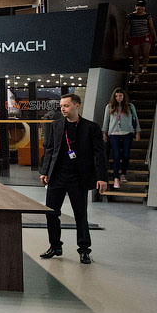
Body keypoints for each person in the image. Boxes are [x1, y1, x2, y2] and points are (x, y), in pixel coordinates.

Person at [39, 93, 108, 265]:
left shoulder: (91, 127)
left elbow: (99, 154)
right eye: (62, 106)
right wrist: (44, 171)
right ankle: (55, 246)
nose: (63, 109)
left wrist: (101, 177)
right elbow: (49, 149)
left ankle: (84, 250)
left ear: (77, 106)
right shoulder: (56, 125)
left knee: (80, 215)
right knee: (51, 212)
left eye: (66, 105)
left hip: (78, 177)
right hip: (57, 176)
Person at [102, 87, 139, 190]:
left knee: (126, 154)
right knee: (116, 155)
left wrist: (138, 132)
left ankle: (123, 174)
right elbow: (106, 121)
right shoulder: (109, 107)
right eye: (116, 96)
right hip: (114, 134)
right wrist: (104, 133)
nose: (118, 98)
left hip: (128, 133)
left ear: (124, 96)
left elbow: (135, 119)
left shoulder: (130, 106)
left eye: (120, 96)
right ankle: (116, 178)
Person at [124, 0, 157, 82]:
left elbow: (151, 27)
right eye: (138, 8)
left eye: (142, 9)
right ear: (135, 7)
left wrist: (155, 38)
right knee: (135, 55)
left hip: (145, 36)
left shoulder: (147, 16)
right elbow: (126, 28)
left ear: (144, 8)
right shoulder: (130, 16)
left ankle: (144, 68)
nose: (140, 10)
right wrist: (125, 39)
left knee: (145, 53)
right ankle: (136, 75)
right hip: (134, 37)